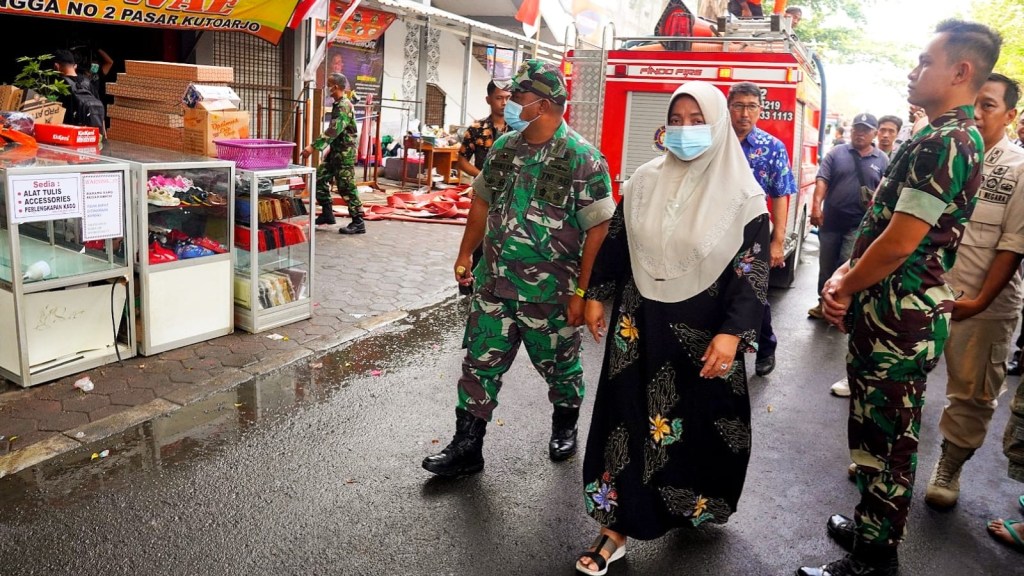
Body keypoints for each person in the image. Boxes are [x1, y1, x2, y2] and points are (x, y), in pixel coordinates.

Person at [799, 19, 1000, 576]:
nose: (914, 71)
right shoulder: (938, 135)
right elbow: (887, 229)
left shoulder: (947, 140)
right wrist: (850, 278)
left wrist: (842, 282)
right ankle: (870, 525)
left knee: (887, 439)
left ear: (960, 72)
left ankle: (875, 558)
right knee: (872, 428)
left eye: (924, 61)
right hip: (889, 316)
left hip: (899, 322)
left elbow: (900, 242)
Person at [574, 80, 769, 576]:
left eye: (696, 120)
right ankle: (616, 528)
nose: (684, 131)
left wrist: (732, 333)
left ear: (719, 124)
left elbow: (751, 271)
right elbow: (617, 240)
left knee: (698, 423)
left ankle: (692, 503)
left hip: (704, 332)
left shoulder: (744, 196)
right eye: (676, 120)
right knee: (630, 418)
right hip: (638, 326)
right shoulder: (643, 179)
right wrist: (596, 294)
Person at [421, 60, 615, 477]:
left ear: (543, 105)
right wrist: (463, 255)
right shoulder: (505, 148)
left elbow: (598, 234)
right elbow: (482, 203)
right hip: (493, 286)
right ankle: (467, 448)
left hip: (551, 295)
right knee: (478, 365)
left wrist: (584, 294)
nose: (509, 104)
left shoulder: (584, 159)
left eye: (518, 98)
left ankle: (565, 425)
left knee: (561, 369)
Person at [923, 73, 1024, 510]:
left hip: (984, 305)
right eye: (975, 103)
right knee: (903, 378)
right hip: (927, 292)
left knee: (973, 394)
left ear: (1011, 115)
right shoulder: (948, 152)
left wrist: (979, 301)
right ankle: (890, 457)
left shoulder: (1019, 168)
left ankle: (950, 465)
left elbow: (1013, 244)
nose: (978, 113)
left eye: (990, 105)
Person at [728, 81, 798, 376]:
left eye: (751, 106)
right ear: (729, 108)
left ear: (760, 110)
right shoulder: (715, 141)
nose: (745, 113)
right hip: (713, 231)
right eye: (739, 106)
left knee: (753, 294)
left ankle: (765, 347)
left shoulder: (772, 148)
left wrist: (778, 241)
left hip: (753, 234)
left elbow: (781, 194)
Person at [807, 113, 889, 348]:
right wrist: (816, 206)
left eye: (865, 129)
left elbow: (887, 190)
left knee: (846, 263)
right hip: (831, 221)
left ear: (874, 133)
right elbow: (822, 179)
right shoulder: (837, 153)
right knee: (826, 265)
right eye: (856, 129)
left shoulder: (882, 159)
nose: (860, 133)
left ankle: (840, 306)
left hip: (859, 224)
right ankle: (823, 304)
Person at [455, 81, 511, 295]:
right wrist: (484, 177)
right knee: (477, 239)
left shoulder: (518, 129)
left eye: (507, 98)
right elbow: (461, 161)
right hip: (484, 194)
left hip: (509, 196)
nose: (504, 103)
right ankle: (470, 286)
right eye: (499, 98)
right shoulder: (477, 129)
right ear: (489, 100)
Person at [300, 73, 364, 234]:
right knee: (320, 179)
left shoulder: (344, 106)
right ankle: (327, 214)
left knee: (346, 187)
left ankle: (358, 222)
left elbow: (333, 130)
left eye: (329, 84)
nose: (327, 87)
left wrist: (312, 147)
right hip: (335, 152)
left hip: (344, 154)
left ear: (335, 87)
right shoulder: (338, 104)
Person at [52, 49, 106, 134]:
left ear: (56, 66)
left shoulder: (60, 85)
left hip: (70, 136)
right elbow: (100, 113)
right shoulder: (88, 83)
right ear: (75, 66)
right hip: (92, 136)